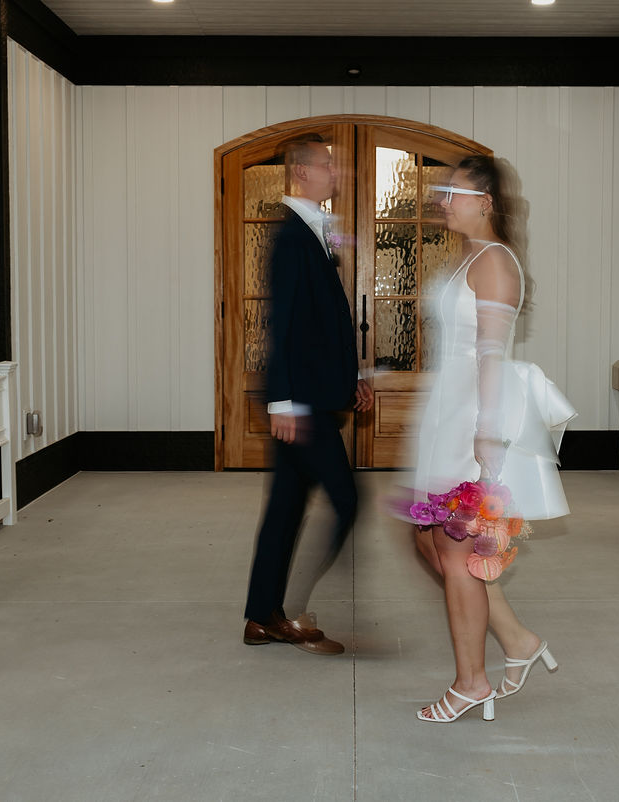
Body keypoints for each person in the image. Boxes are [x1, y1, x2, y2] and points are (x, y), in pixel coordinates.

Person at [411, 155, 576, 722]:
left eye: (454, 192)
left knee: (457, 555)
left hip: (470, 424)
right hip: (447, 416)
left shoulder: (496, 263)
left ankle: (470, 682)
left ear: (485, 199)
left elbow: (488, 355)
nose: (443, 201)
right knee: (429, 543)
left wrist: (485, 441)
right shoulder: (470, 258)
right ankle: (518, 642)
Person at [243, 133, 374, 656]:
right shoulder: (290, 236)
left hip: (315, 396)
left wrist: (352, 379)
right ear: (301, 172)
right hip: (300, 407)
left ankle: (262, 617)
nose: (335, 172)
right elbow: (283, 323)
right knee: (346, 500)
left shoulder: (314, 231)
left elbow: (324, 325)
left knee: (284, 510)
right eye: (326, 165)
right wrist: (282, 401)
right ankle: (289, 612)